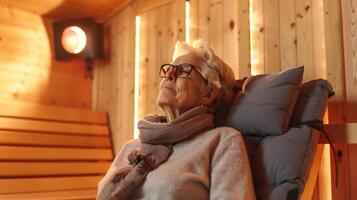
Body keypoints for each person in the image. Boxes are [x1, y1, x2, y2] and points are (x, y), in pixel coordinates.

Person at [96, 40, 255, 200]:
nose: (170, 75)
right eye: (169, 70)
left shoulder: (222, 141)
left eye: (184, 70)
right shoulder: (132, 146)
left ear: (208, 93)